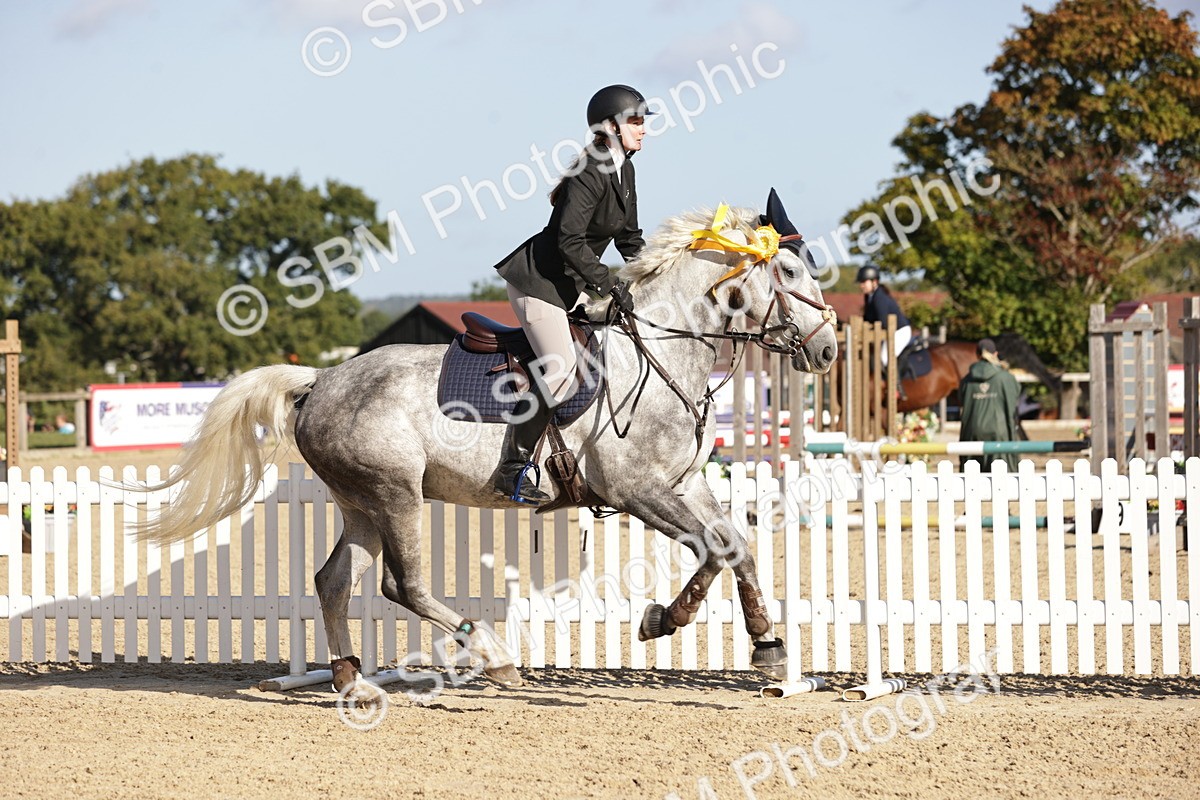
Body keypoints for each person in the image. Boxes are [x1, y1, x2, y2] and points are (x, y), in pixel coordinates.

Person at [489, 84, 654, 505]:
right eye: (636, 122)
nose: (644, 130)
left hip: (572, 285)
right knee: (561, 372)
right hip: (539, 284)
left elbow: (630, 239)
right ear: (612, 126)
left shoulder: (625, 170)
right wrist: (609, 282)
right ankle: (512, 468)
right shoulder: (591, 171)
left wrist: (653, 274)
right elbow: (568, 240)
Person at [958, 338, 1021, 471]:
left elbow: (961, 399)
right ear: (996, 354)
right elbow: (1015, 396)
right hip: (999, 433)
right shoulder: (1006, 377)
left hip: (972, 432)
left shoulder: (966, 380)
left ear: (977, 355)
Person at [857, 265, 912, 368]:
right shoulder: (869, 296)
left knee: (884, 359)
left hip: (899, 332)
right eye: (861, 282)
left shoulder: (879, 297)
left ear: (874, 282)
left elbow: (882, 322)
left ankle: (896, 383)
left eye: (864, 282)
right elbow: (868, 319)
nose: (861, 285)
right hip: (889, 331)